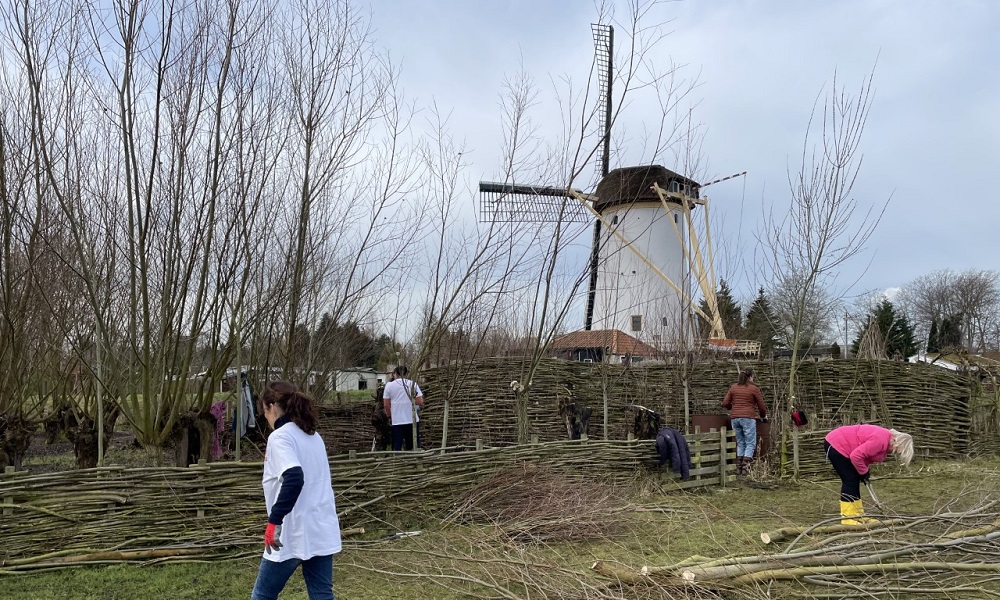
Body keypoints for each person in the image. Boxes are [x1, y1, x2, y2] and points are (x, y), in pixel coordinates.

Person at [252, 381, 341, 600]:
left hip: (292, 531)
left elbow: (294, 478)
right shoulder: (312, 436)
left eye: (264, 411)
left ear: (271, 406)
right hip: (321, 528)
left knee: (262, 595)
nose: (265, 417)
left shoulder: (280, 437)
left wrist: (274, 522)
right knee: (321, 594)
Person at [825, 424, 913, 524]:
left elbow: (865, 454)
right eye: (898, 451)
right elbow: (856, 456)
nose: (895, 453)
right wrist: (863, 472)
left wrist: (864, 472)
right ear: (898, 443)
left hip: (844, 445)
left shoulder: (885, 440)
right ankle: (847, 518)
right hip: (836, 444)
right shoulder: (880, 441)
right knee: (850, 480)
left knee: (854, 479)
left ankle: (858, 515)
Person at [722, 367, 767, 475]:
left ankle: (738, 468)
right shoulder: (753, 389)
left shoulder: (733, 388)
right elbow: (762, 407)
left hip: (735, 419)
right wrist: (763, 416)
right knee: (750, 443)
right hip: (748, 418)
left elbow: (725, 403)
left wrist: (731, 408)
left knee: (740, 443)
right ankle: (746, 468)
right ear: (750, 377)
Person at [382, 365, 424, 451]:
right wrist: (410, 400)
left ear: (395, 374)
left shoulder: (389, 386)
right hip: (412, 419)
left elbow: (386, 405)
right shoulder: (412, 384)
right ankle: (413, 461)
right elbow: (420, 401)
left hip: (397, 420)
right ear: (407, 374)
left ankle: (396, 461)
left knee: (397, 443)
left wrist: (389, 416)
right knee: (412, 444)